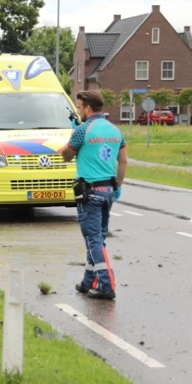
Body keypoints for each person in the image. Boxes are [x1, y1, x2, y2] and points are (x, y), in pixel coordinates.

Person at [59, 90, 127, 300]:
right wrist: (118, 187)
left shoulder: (82, 131)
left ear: (88, 108)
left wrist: (73, 134)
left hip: (89, 194)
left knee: (93, 241)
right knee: (96, 239)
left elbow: (65, 155)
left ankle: (106, 284)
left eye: (79, 108)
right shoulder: (115, 131)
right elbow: (123, 161)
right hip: (108, 191)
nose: (79, 111)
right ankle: (88, 281)